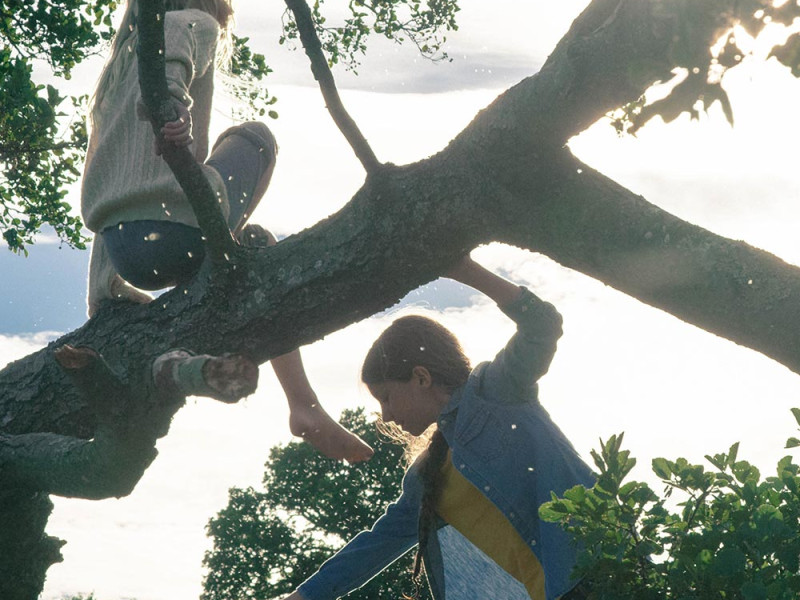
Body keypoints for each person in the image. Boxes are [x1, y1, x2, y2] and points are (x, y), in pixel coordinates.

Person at [80, 0, 372, 463]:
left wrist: (102, 290)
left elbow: (111, 181)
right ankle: (303, 402)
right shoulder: (192, 22)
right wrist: (172, 110)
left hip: (126, 253)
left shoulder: (115, 75)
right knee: (257, 137)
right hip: (176, 233)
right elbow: (168, 78)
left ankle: (236, 257)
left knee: (258, 242)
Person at [280, 256, 596, 600]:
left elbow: (542, 325)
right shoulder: (425, 477)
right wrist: (303, 596)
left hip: (603, 575)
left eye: (386, 397)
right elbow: (375, 546)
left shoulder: (495, 392)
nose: (385, 416)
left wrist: (464, 270)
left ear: (421, 377)